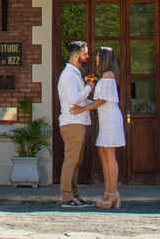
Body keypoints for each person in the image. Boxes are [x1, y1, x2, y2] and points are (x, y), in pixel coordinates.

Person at [69, 46, 124, 208]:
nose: (96, 58)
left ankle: (113, 194)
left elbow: (102, 100)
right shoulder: (104, 76)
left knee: (109, 154)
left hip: (111, 118)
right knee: (103, 153)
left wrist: (83, 109)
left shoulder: (108, 75)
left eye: (98, 56)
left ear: (105, 58)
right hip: (106, 118)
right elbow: (99, 99)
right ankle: (107, 192)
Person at [56, 39, 94, 208]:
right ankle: (67, 197)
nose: (88, 56)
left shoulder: (75, 73)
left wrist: (94, 103)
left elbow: (80, 100)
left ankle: (74, 195)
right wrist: (89, 87)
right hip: (72, 123)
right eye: (85, 53)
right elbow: (73, 99)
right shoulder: (69, 76)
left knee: (76, 161)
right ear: (76, 56)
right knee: (71, 160)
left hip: (78, 122)